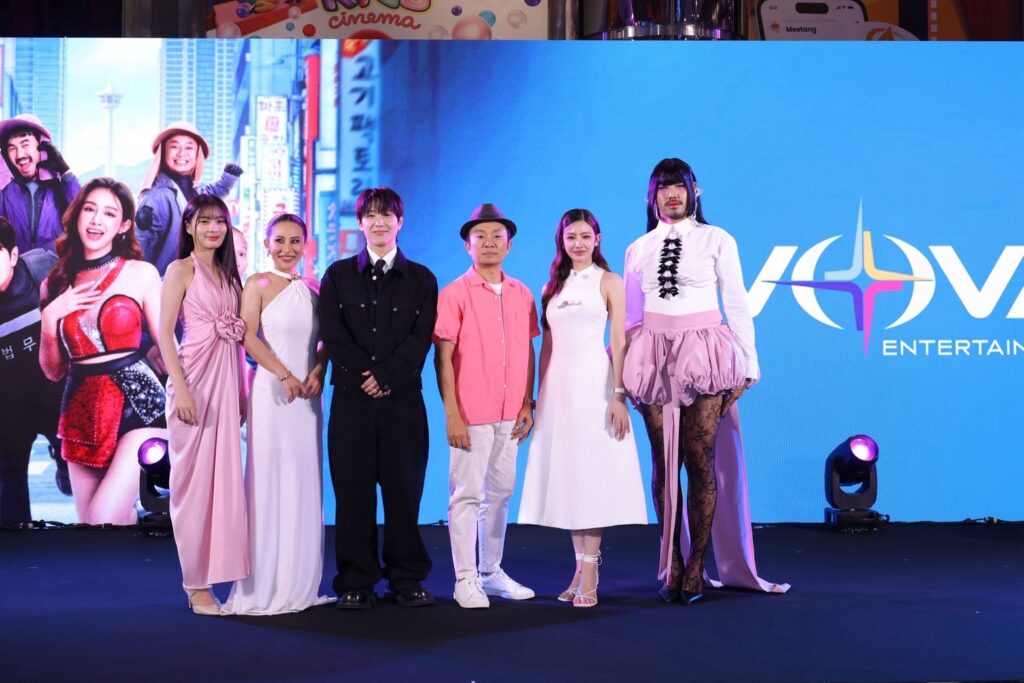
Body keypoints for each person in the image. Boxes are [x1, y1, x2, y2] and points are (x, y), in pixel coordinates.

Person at [623, 158, 789, 604]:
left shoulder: (718, 239)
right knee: (664, 465)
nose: (671, 194)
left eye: (679, 185)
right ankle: (672, 563)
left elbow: (737, 303)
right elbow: (631, 318)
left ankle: (696, 564)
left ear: (694, 190)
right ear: (651, 196)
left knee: (699, 461)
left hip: (705, 354)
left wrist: (750, 365)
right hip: (653, 356)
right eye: (663, 187)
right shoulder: (637, 249)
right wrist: (627, 372)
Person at [518, 209, 647, 607]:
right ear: (561, 241)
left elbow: (619, 341)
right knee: (571, 476)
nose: (578, 243)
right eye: (571, 236)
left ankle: (590, 569)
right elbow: (547, 346)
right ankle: (578, 568)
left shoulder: (609, 281)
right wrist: (537, 397)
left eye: (585, 236)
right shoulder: (551, 287)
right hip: (558, 390)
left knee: (593, 474)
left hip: (596, 385)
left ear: (597, 239)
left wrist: (619, 394)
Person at [319, 187, 438, 610]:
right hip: (351, 401)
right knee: (353, 494)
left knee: (404, 492)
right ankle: (356, 580)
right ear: (360, 223)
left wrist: (385, 376)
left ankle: (406, 578)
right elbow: (333, 334)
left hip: (403, 402)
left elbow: (420, 339)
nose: (379, 222)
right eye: (370, 215)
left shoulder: (422, 279)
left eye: (387, 215)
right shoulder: (337, 275)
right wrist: (365, 376)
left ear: (400, 222)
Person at [37, 178, 167, 526]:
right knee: (95, 530)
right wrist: (50, 319)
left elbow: (169, 347)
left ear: (123, 225)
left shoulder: (141, 274)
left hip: (141, 403)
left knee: (102, 519)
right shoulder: (54, 283)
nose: (97, 220)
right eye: (90, 209)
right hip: (81, 408)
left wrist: (195, 394)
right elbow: (53, 371)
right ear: (77, 215)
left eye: (109, 213)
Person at [224, 213, 333, 615]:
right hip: (272, 392)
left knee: (303, 479)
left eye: (295, 241)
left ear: (306, 245)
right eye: (280, 241)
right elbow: (247, 337)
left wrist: (318, 371)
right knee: (268, 479)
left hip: (308, 397)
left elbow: (327, 340)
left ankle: (299, 580)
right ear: (267, 244)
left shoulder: (313, 288)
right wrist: (285, 375)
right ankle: (264, 583)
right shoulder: (257, 284)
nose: (287, 249)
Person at [434, 203, 538, 609]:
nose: (490, 243)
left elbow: (528, 349)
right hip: (471, 413)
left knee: (500, 494)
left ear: (509, 246)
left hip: (510, 413)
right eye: (481, 236)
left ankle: (492, 572)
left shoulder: (521, 293)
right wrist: (452, 413)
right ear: (468, 245)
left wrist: (527, 402)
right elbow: (443, 356)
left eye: (498, 236)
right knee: (466, 496)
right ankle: (465, 578)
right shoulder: (454, 293)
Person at [158, 194, 248, 616]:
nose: (214, 229)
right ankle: (195, 584)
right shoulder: (181, 269)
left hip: (227, 386)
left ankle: (218, 574)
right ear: (189, 226)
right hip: (193, 381)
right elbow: (164, 333)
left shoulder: (230, 275)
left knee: (222, 487)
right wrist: (181, 388)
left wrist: (243, 391)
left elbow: (240, 339)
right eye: (205, 221)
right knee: (193, 490)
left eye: (220, 222)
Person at [0, 217, 65, 527]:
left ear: (13, 255)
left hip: (56, 397)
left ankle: (63, 461)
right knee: (8, 496)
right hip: (9, 410)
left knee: (79, 474)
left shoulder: (43, 268)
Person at [135, 122, 243, 276]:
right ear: (163, 152)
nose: (181, 153)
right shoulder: (157, 197)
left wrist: (228, 179)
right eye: (174, 146)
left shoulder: (192, 190)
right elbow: (140, 244)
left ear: (197, 154)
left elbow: (210, 193)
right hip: (165, 283)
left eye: (189, 148)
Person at [0, 114, 81, 254]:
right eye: (12, 148)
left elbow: (81, 212)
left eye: (25, 144)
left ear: (42, 146)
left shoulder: (60, 187)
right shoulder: (4, 192)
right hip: (15, 266)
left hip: (55, 266)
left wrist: (65, 172)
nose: (19, 155)